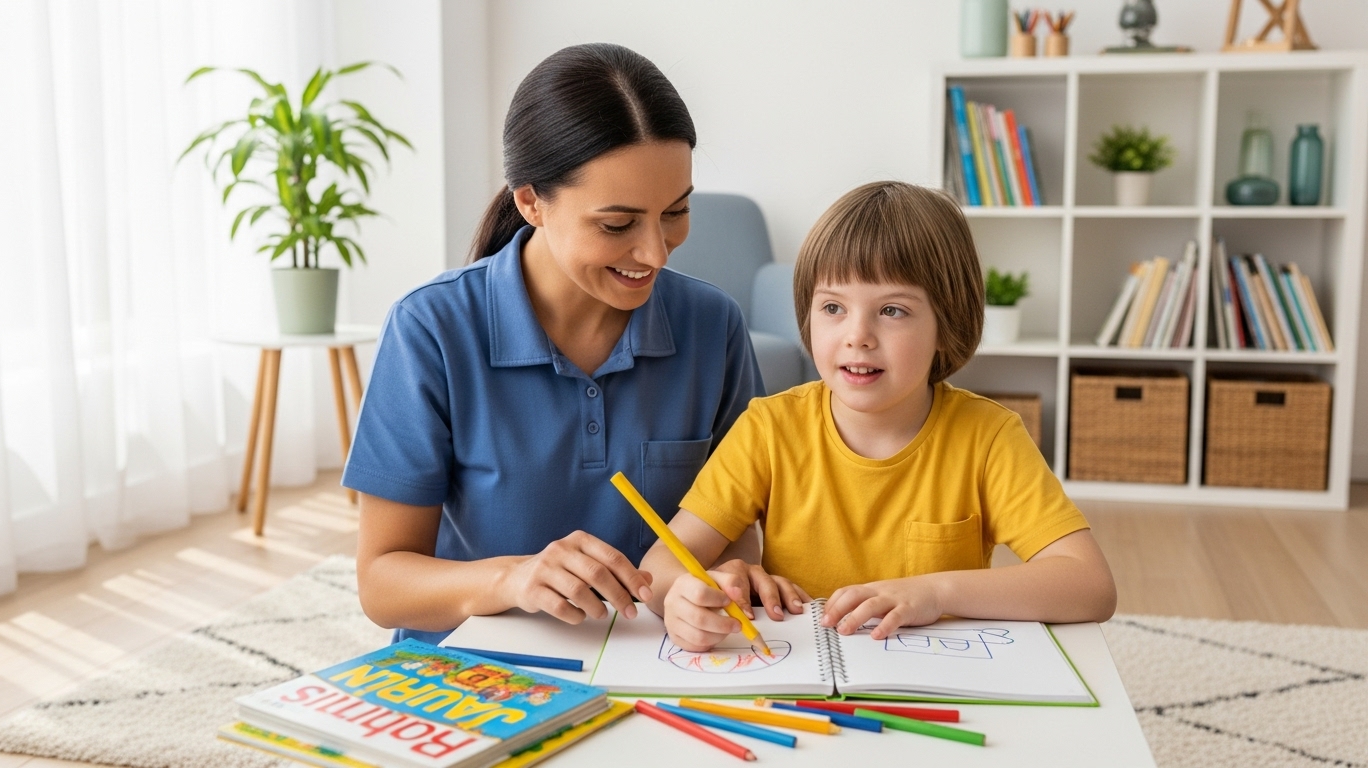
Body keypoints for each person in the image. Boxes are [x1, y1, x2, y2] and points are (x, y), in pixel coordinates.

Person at [346, 43, 765, 644]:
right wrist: (514, 579)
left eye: (674, 211)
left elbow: (739, 524)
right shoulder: (430, 330)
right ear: (530, 202)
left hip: (663, 660)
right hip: (481, 670)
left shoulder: (713, 325)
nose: (655, 252)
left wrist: (729, 578)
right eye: (616, 225)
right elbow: (382, 585)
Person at [641, 181, 1117, 651]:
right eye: (832, 307)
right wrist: (680, 597)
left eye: (891, 310)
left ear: (946, 326)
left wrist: (936, 591)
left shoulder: (989, 437)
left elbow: (1090, 585)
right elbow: (665, 559)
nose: (857, 335)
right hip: (803, 676)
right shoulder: (769, 428)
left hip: (940, 676)